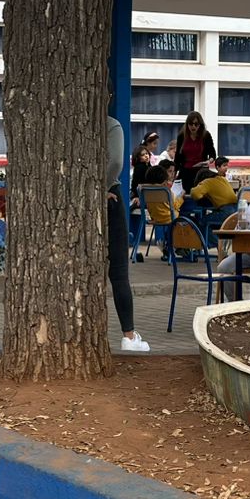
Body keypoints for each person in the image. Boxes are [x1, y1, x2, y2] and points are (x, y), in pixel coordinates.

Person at [106, 115, 148, 352]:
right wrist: (101, 187)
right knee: (119, 271)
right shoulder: (111, 124)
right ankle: (129, 336)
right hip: (109, 197)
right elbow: (115, 162)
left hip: (75, 199)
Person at [174, 111, 216, 191]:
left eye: (196, 124)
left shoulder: (206, 135)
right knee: (186, 194)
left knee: (200, 194)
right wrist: (174, 173)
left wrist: (208, 161)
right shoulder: (182, 136)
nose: (193, 127)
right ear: (187, 124)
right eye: (191, 124)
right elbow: (177, 157)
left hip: (201, 172)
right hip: (186, 171)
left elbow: (212, 154)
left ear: (200, 125)